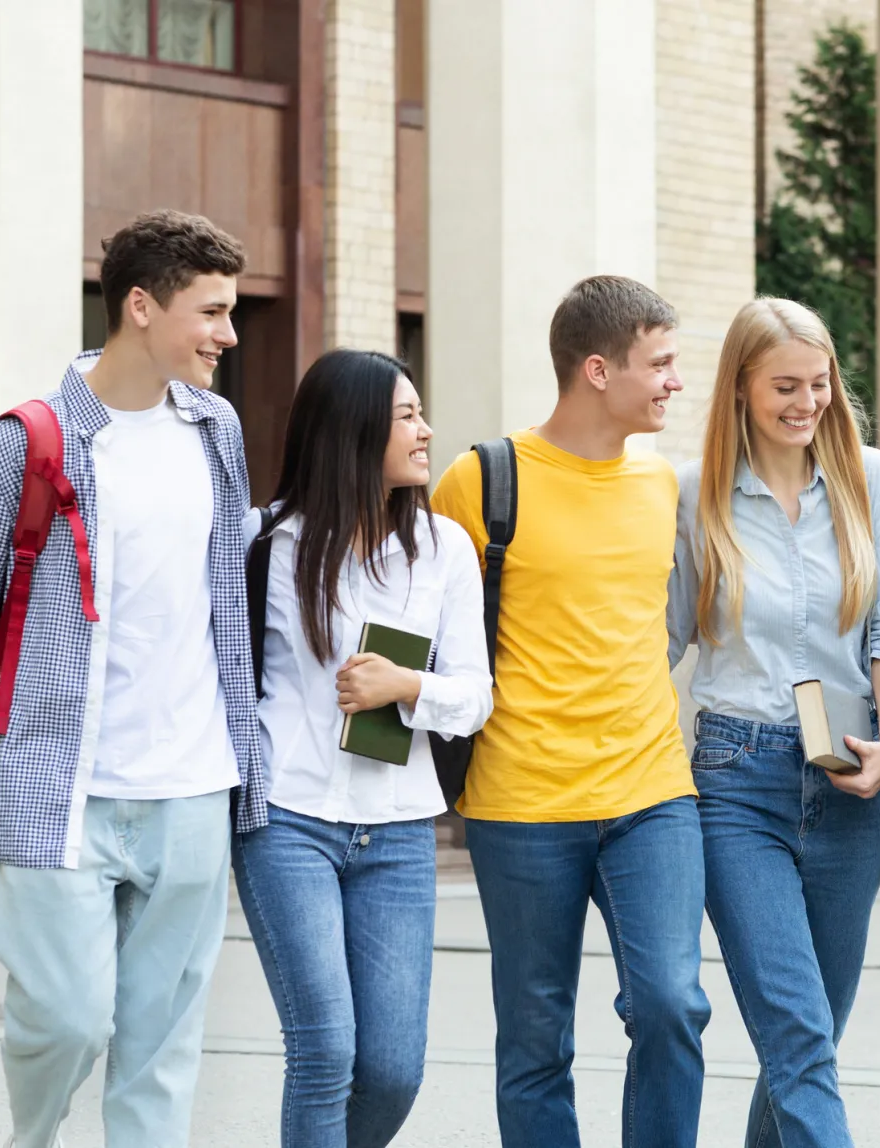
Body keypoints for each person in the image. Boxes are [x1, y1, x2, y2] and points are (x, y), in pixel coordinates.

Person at [0, 210, 262, 1148]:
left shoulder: (216, 430)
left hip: (193, 789)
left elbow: (227, 601)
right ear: (141, 307)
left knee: (160, 1055)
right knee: (67, 1021)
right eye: (212, 312)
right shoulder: (30, 444)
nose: (229, 334)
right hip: (62, 792)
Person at [430, 275, 710, 1148]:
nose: (673, 382)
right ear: (597, 369)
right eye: (658, 364)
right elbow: (423, 628)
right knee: (535, 1041)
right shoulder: (480, 482)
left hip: (652, 795)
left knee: (672, 1005)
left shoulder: (662, 485)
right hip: (521, 805)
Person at [667, 298, 880, 1148]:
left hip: (853, 778)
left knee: (812, 1036)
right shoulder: (691, 498)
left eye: (820, 385)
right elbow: (660, 639)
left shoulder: (871, 480)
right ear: (740, 386)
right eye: (785, 385)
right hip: (736, 781)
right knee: (798, 1034)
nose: (807, 403)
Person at [233, 350, 493, 1145]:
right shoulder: (266, 542)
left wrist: (407, 689)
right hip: (289, 821)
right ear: (352, 431)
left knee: (391, 1069)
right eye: (407, 416)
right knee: (324, 1051)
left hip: (400, 830)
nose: (427, 431)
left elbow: (475, 696)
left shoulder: (444, 548)